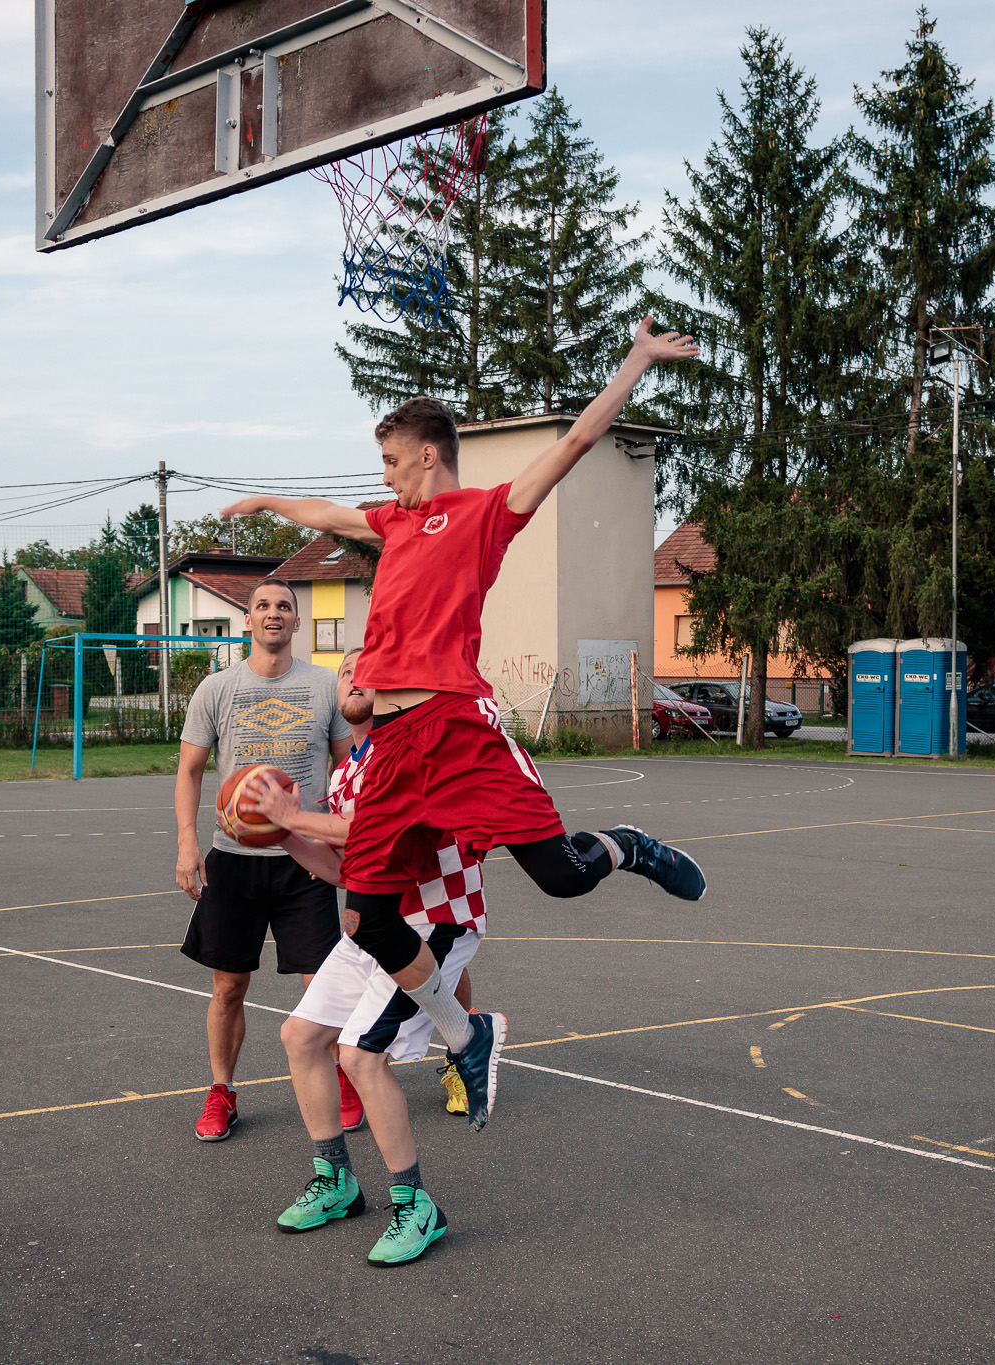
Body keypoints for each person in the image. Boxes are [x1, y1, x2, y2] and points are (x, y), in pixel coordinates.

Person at [217, 317, 708, 1131]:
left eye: (390, 460)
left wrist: (635, 361)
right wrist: (269, 499)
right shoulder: (392, 524)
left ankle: (627, 844)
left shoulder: (483, 513)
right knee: (371, 914)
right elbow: (330, 513)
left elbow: (579, 440)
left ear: (427, 454)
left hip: (459, 727)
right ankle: (463, 1034)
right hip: (397, 746)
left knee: (558, 874)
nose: (384, 477)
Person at [251, 648, 483, 1265]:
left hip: (436, 921)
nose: (355, 678)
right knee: (301, 1037)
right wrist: (286, 836)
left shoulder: (409, 748)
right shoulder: (347, 771)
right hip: (376, 926)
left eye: (369, 670)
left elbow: (380, 835)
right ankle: (337, 1180)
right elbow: (346, 867)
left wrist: (294, 815)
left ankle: (416, 1205)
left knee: (360, 1053)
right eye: (346, 672)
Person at [174, 578, 353, 1142]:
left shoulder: (327, 687)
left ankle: (345, 1077)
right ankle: (221, 1090)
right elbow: (190, 771)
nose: (273, 614)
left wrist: (350, 854)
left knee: (321, 985)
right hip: (233, 859)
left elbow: (349, 774)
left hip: (306, 860)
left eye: (284, 607)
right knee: (228, 985)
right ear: (246, 621)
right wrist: (186, 841)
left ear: (297, 623)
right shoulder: (216, 689)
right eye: (262, 606)